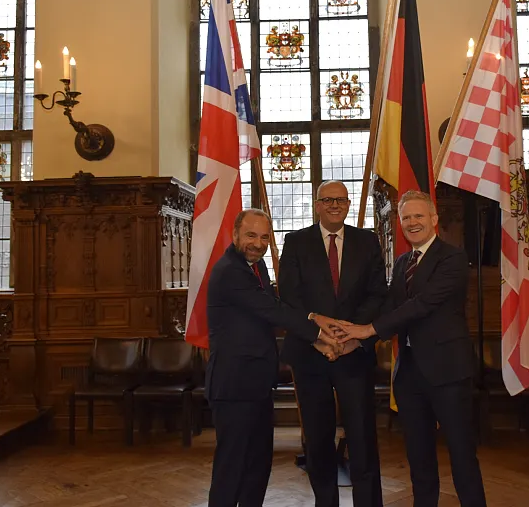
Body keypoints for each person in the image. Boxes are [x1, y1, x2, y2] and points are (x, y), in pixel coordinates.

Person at [338, 190, 487, 507]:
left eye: (419, 216)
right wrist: (355, 337)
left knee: (461, 455)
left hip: (448, 372)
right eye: (406, 218)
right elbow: (391, 306)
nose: (412, 222)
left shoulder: (453, 258)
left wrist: (368, 330)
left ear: (434, 219)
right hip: (409, 375)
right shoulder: (403, 261)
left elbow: (423, 305)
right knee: (419, 458)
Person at [205, 208, 344, 507]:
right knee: (232, 468)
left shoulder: (257, 267)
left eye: (265, 237)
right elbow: (271, 311)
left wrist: (312, 322)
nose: (258, 243)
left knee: (257, 465)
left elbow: (273, 306)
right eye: (251, 235)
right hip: (233, 386)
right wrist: (319, 335)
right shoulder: (230, 271)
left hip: (256, 384)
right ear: (235, 235)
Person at [278, 180, 387, 507]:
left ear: (349, 203)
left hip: (354, 353)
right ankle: (325, 502)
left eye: (340, 200)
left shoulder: (367, 241)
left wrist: (351, 334)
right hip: (310, 355)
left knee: (362, 436)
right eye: (327, 200)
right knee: (318, 437)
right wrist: (319, 335)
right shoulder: (296, 242)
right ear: (317, 205)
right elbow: (289, 297)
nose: (334, 205)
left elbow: (377, 294)